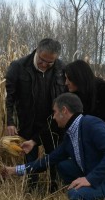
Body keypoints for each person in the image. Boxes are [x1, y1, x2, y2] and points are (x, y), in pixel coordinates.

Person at [2, 93, 105, 200]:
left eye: (55, 112)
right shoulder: (70, 135)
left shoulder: (91, 124)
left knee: (75, 196)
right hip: (100, 175)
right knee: (63, 166)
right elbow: (47, 161)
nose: (54, 117)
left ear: (64, 111)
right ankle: (89, 191)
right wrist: (13, 170)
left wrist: (90, 179)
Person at [4, 38, 66, 191]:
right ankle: (31, 191)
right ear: (37, 51)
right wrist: (10, 121)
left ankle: (54, 189)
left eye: (49, 62)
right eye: (42, 60)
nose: (45, 65)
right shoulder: (18, 67)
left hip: (52, 123)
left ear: (56, 59)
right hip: (28, 123)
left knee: (53, 158)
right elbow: (9, 97)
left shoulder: (61, 69)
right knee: (30, 159)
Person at [65, 60, 105, 152]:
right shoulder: (71, 95)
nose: (66, 82)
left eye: (69, 79)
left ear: (78, 78)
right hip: (89, 142)